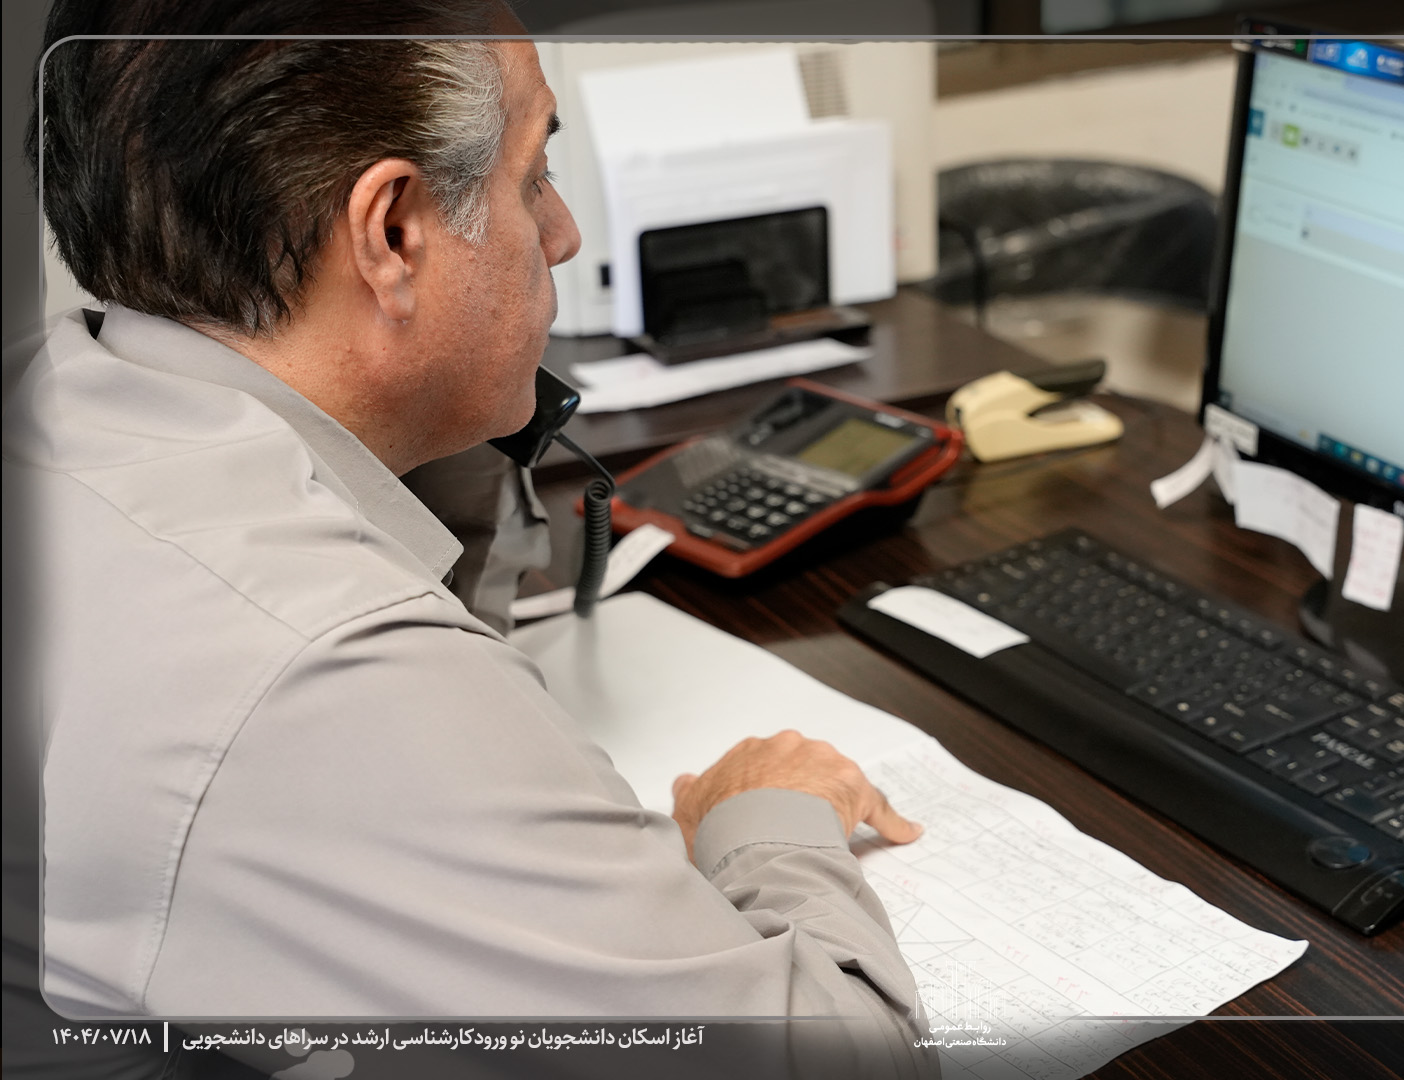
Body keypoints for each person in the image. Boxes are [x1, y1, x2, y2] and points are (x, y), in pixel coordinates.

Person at [5, 0, 933, 1074]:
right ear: (392, 233)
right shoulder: (316, 665)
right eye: (535, 176)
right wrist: (768, 817)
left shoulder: (60, 394)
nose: (562, 233)